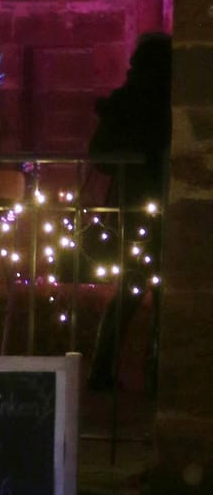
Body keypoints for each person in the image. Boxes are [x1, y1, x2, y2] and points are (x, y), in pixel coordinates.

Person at [86, 32, 171, 391]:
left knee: (132, 289)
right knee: (161, 289)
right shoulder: (167, 100)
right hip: (160, 202)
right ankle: (156, 372)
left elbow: (100, 154)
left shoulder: (127, 102)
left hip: (133, 205)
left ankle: (102, 370)